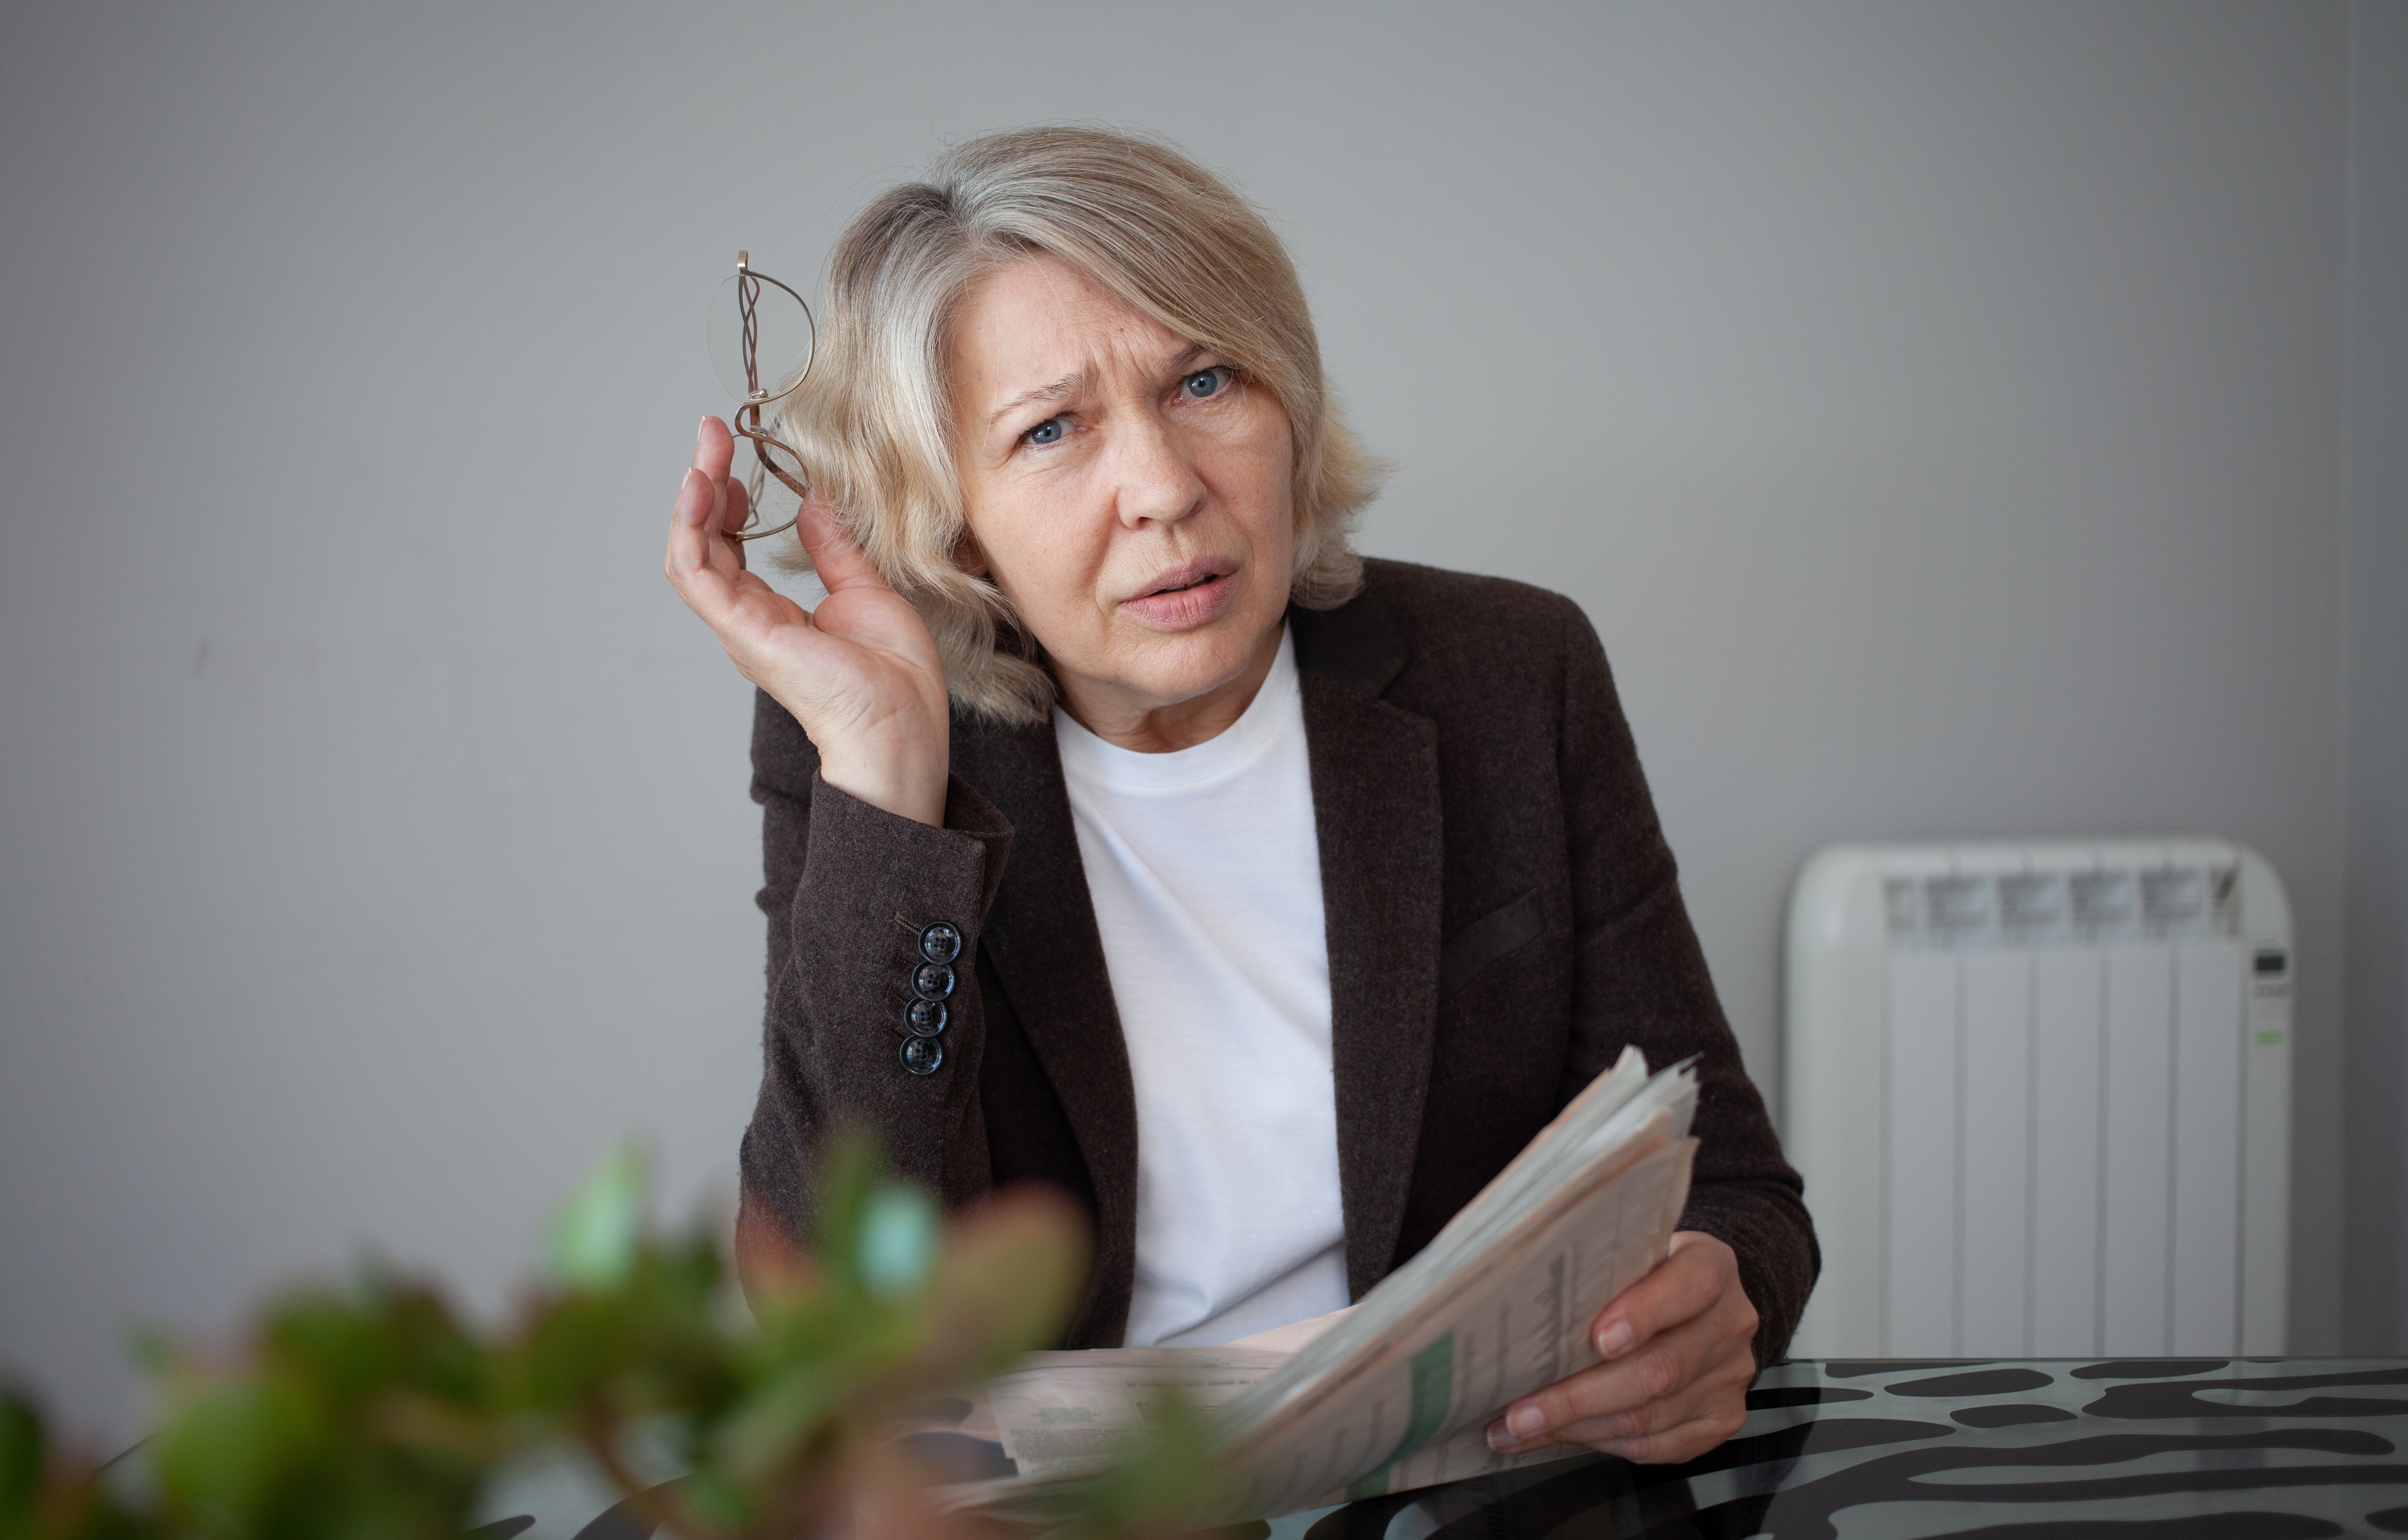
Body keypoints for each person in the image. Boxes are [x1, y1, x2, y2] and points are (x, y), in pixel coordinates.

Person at [664, 127, 1815, 1466]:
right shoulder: (870, 747)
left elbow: (1736, 1191)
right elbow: (832, 1312)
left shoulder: (1510, 674)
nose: (1163, 489)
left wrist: (1720, 1298)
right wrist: (883, 784)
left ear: (1290, 401)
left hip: (1451, 1506)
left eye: (1204, 380)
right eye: (1050, 430)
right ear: (954, 518)